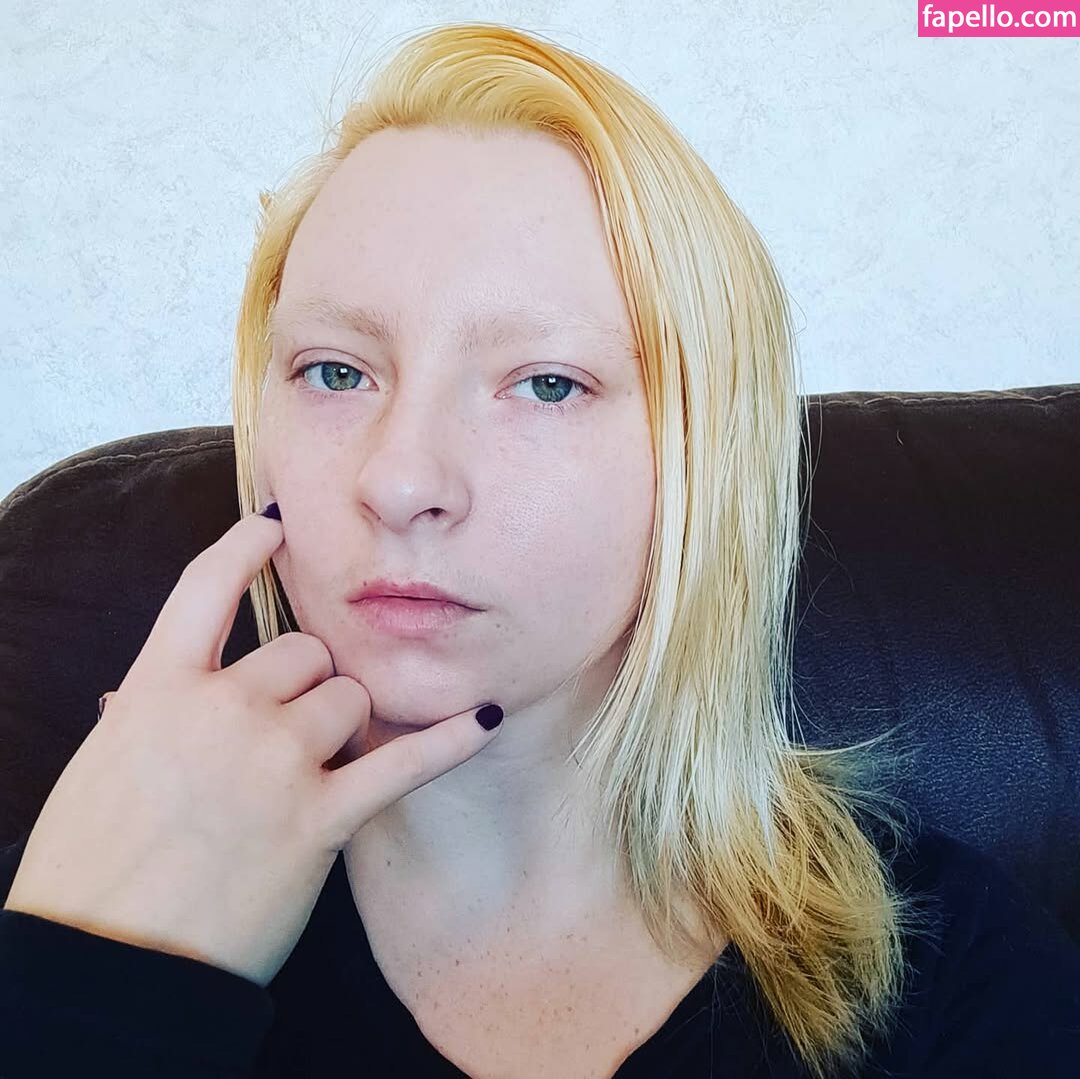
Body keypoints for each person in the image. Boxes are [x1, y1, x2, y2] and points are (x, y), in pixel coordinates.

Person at [2, 20, 1079, 1079]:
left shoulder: (951, 976)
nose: (402, 481)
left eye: (548, 384)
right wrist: (92, 995)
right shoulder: (71, 907)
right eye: (336, 371)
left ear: (704, 461)